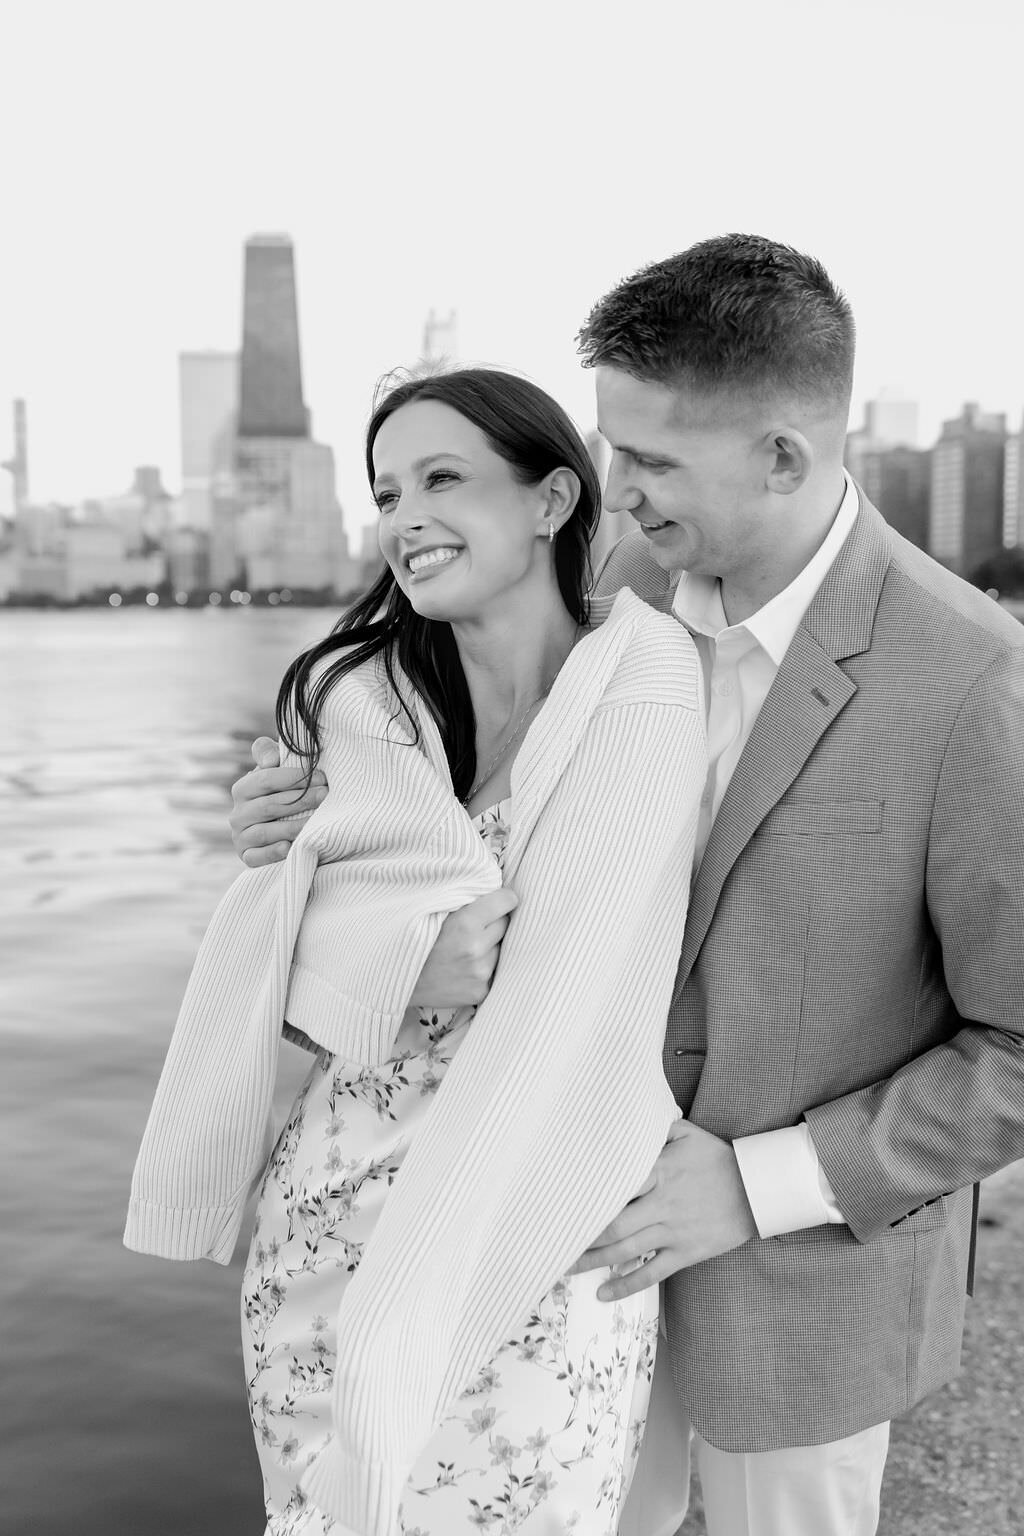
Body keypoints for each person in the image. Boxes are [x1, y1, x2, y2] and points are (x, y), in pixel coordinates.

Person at [232, 235, 1024, 1536]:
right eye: (611, 445)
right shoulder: (612, 598)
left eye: (652, 458)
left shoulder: (973, 682)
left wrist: (762, 1184)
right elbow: (445, 796)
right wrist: (303, 832)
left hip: (791, 1291)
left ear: (783, 454)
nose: (617, 484)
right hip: (561, 1276)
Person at [126, 367, 707, 1536]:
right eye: (388, 491)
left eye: (444, 479)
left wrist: (377, 957)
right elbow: (265, 989)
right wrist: (392, 971)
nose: (405, 518)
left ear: (551, 501)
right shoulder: (355, 713)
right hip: (322, 1220)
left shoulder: (648, 685)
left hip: (535, 1233)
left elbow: (572, 1001)